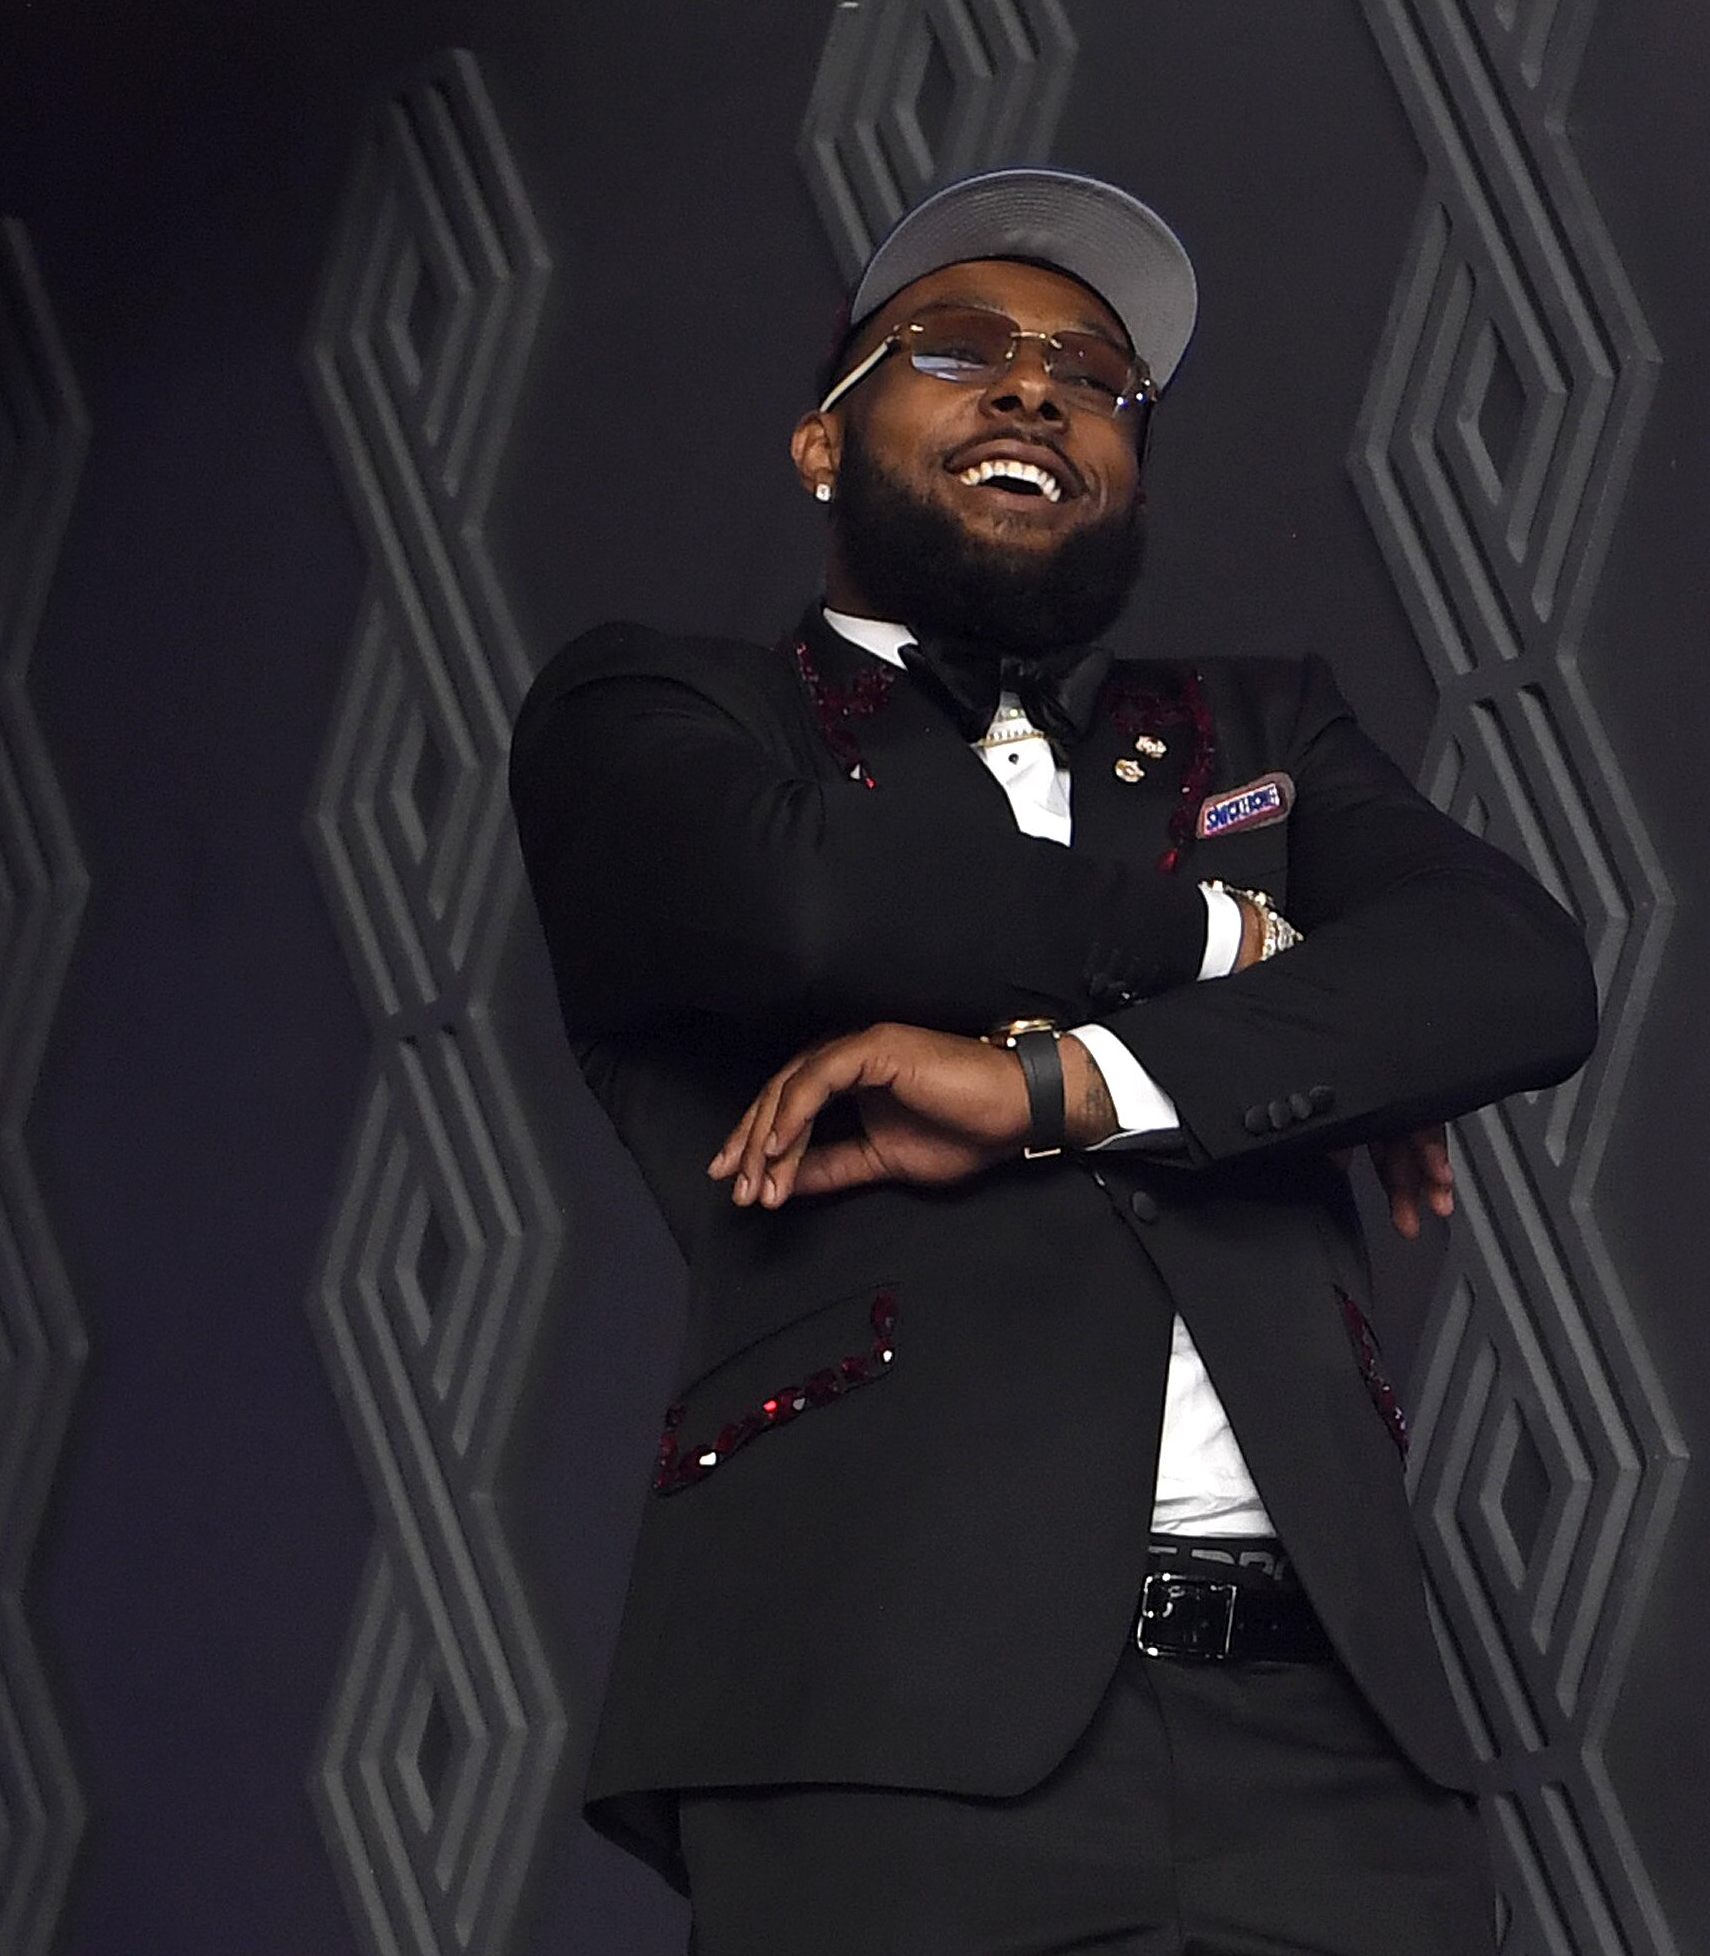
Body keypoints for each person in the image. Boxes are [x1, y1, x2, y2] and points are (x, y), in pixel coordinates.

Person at [509, 167, 1598, 1955]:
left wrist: (1057, 1083)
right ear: (819, 446)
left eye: (1093, 378)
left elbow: (1512, 973)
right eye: (957, 350)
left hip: (1331, 1748)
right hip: (878, 1722)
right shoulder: (661, 711)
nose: (1034, 389)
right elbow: (823, 918)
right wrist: (1236, 946)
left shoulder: (1260, 727)